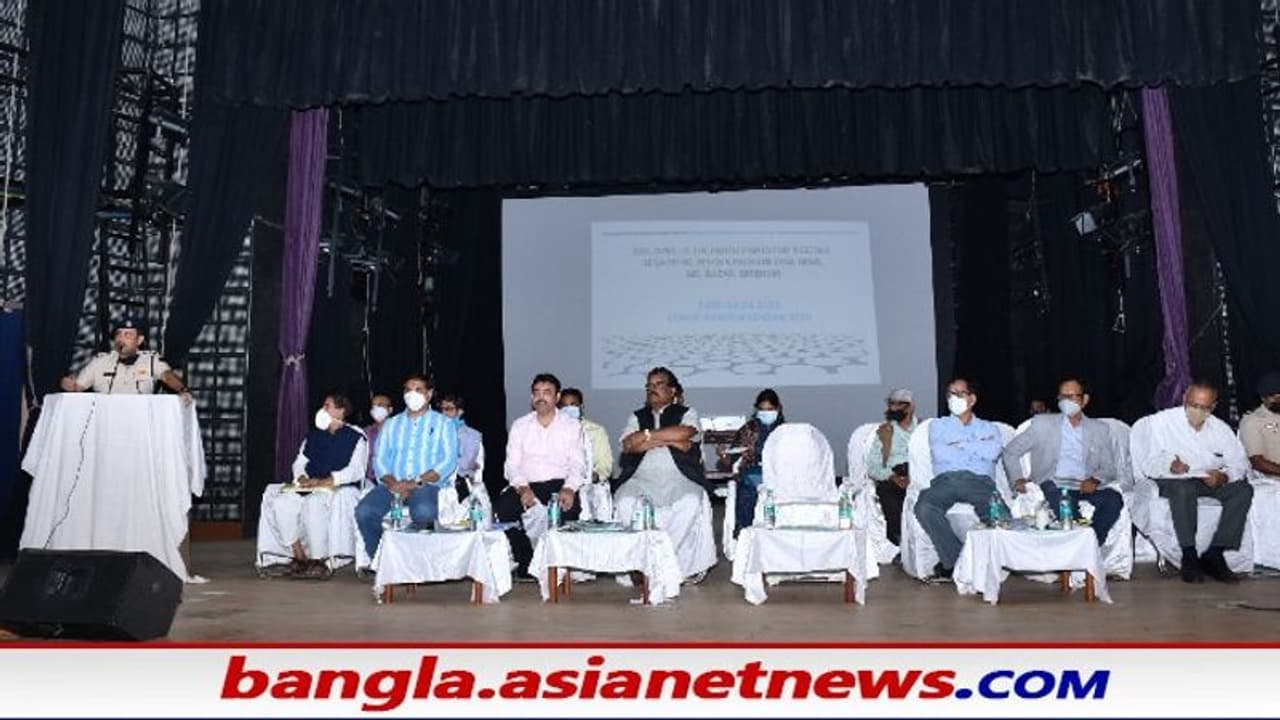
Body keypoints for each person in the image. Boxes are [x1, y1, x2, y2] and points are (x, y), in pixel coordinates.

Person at [1134, 382, 1252, 583]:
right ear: (1184, 401)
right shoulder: (1160, 423)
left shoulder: (1220, 429)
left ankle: (1215, 553)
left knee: (1243, 490)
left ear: (1213, 406)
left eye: (1203, 407)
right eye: (1193, 405)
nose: (1197, 411)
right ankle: (1189, 555)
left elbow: (1240, 464)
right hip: (1172, 480)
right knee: (1184, 489)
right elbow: (1147, 464)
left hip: (1209, 480)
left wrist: (1223, 477)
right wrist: (1171, 466)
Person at [615, 367, 717, 582]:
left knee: (691, 501)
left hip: (679, 477)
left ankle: (661, 560)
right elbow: (628, 445)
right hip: (641, 478)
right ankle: (640, 560)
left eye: (659, 384)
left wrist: (647, 437)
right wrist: (670, 440)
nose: (653, 389)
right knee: (624, 502)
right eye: (649, 386)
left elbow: (686, 433)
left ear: (673, 391)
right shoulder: (637, 416)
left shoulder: (687, 413)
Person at [1002, 378, 1123, 546]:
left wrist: (1095, 480)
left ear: (1084, 400)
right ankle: (1084, 547)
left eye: (1072, 397)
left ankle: (1091, 544)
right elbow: (1010, 452)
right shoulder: (1042, 424)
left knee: (1113, 500)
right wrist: (1017, 479)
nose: (1067, 401)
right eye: (1063, 397)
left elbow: (1109, 467)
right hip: (1054, 483)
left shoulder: (1099, 429)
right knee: (1065, 505)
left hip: (1085, 485)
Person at [354, 375, 458, 560]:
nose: (412, 394)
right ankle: (382, 559)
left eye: (418, 390)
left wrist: (414, 483)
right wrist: (394, 484)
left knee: (424, 511)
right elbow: (380, 460)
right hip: (392, 484)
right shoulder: (391, 425)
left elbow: (448, 461)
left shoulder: (444, 424)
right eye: (408, 390)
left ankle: (411, 557)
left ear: (429, 394)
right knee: (364, 512)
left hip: (426, 485)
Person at [262, 393, 367, 576]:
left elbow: (356, 470)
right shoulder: (313, 436)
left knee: (314, 504)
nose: (323, 409)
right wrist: (302, 478)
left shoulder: (356, 437)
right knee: (282, 502)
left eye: (327, 405)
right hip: (309, 486)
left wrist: (328, 480)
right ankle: (299, 555)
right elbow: (300, 462)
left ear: (341, 411)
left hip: (334, 487)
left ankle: (318, 559)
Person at [497, 373, 587, 578]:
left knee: (569, 510)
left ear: (557, 397)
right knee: (504, 509)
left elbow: (578, 464)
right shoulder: (520, 425)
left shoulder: (571, 426)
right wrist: (522, 488)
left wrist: (569, 488)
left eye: (547, 392)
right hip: (528, 483)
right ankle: (526, 560)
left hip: (559, 484)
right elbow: (511, 465)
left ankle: (558, 565)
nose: (541, 397)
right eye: (536, 393)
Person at [914, 377, 1004, 581]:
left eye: (959, 394)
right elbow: (941, 454)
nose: (953, 398)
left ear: (972, 399)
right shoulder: (937, 425)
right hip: (947, 480)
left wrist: (959, 443)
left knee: (1000, 517)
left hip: (980, 482)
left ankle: (993, 563)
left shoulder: (989, 427)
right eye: (949, 394)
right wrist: (975, 444)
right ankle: (955, 561)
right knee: (924, 507)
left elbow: (992, 453)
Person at [59, 315, 191, 402]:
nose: (121, 339)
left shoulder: (151, 360)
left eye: (128, 334)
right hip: (105, 423)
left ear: (139, 340)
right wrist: (68, 384)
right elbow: (78, 387)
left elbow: (167, 376)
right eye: (118, 335)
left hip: (139, 423)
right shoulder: (100, 361)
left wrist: (182, 390)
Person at [716, 388, 785, 535]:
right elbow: (729, 461)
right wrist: (723, 455)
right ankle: (745, 531)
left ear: (778, 409)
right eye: (762, 409)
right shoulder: (748, 429)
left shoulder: (785, 431)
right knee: (749, 483)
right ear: (756, 409)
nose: (766, 413)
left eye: (770, 409)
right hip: (752, 473)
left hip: (780, 474)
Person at [864, 388, 916, 547]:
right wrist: (891, 476)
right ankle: (900, 542)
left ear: (910, 407)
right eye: (891, 404)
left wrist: (914, 477)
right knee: (889, 496)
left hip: (918, 475)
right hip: (893, 476)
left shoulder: (924, 429)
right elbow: (872, 466)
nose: (893, 408)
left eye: (899, 404)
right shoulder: (885, 432)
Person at [559, 387, 613, 483]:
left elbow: (604, 464)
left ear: (581, 407)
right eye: (564, 406)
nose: (568, 409)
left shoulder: (596, 431)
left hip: (588, 484)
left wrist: (595, 476)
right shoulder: (552, 430)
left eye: (572, 405)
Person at [1239, 370, 1280, 479]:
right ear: (1263, 398)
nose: (1278, 400)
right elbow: (1257, 462)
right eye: (1273, 397)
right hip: (1275, 480)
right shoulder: (1253, 421)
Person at [438, 392, 483, 486]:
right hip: (437, 478)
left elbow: (466, 463)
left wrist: (441, 460)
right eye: (441, 409)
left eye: (449, 409)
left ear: (460, 411)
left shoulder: (471, 435)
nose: (443, 413)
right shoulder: (435, 432)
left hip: (459, 480)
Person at [363, 394, 394, 486]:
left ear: (390, 410)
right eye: (373, 406)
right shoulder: (365, 432)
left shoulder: (399, 430)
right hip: (370, 480)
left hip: (394, 480)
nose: (376, 408)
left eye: (380, 405)